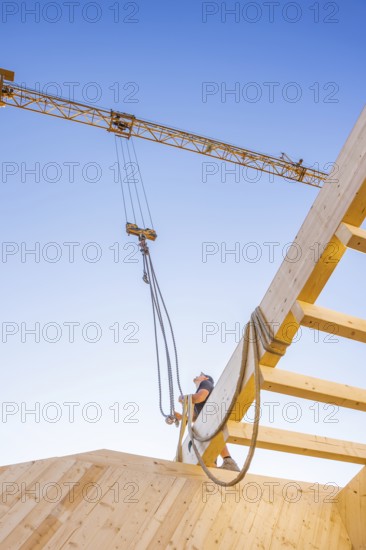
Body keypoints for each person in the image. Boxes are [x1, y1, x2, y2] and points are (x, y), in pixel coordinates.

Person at [177, 372, 240, 472]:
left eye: (201, 374)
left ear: (205, 378)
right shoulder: (198, 397)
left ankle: (229, 461)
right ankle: (220, 464)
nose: (197, 375)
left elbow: (199, 397)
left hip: (212, 419)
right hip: (207, 423)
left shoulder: (206, 384)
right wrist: (180, 417)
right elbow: (193, 418)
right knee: (209, 453)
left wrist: (182, 398)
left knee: (212, 431)